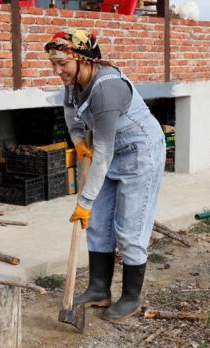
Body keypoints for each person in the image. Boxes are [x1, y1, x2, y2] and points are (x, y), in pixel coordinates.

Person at [44, 29, 166, 323]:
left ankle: (130, 297)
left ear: (83, 60)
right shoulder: (74, 83)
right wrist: (77, 141)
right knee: (98, 222)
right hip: (107, 151)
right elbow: (70, 113)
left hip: (139, 153)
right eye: (53, 64)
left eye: (62, 63)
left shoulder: (106, 89)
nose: (57, 71)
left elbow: (104, 153)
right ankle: (99, 288)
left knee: (130, 228)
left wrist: (84, 199)